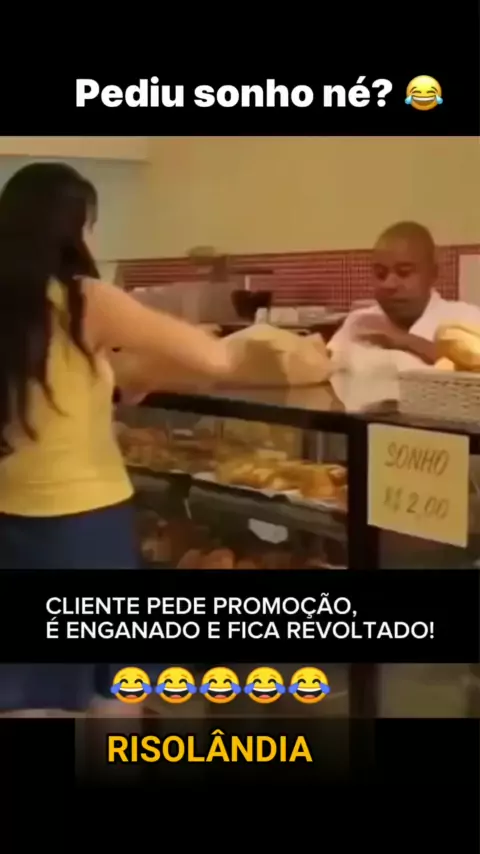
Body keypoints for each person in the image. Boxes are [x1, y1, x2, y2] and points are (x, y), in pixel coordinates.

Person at [0, 162, 235, 715]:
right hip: (84, 521)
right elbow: (214, 358)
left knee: (24, 683)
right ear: (75, 228)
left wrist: (115, 375)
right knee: (113, 687)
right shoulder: (85, 299)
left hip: (9, 519)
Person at [329, 221, 480, 367]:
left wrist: (409, 342)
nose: (388, 284)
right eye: (380, 273)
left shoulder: (466, 319)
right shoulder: (359, 322)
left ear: (433, 273)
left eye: (404, 272)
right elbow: (327, 367)